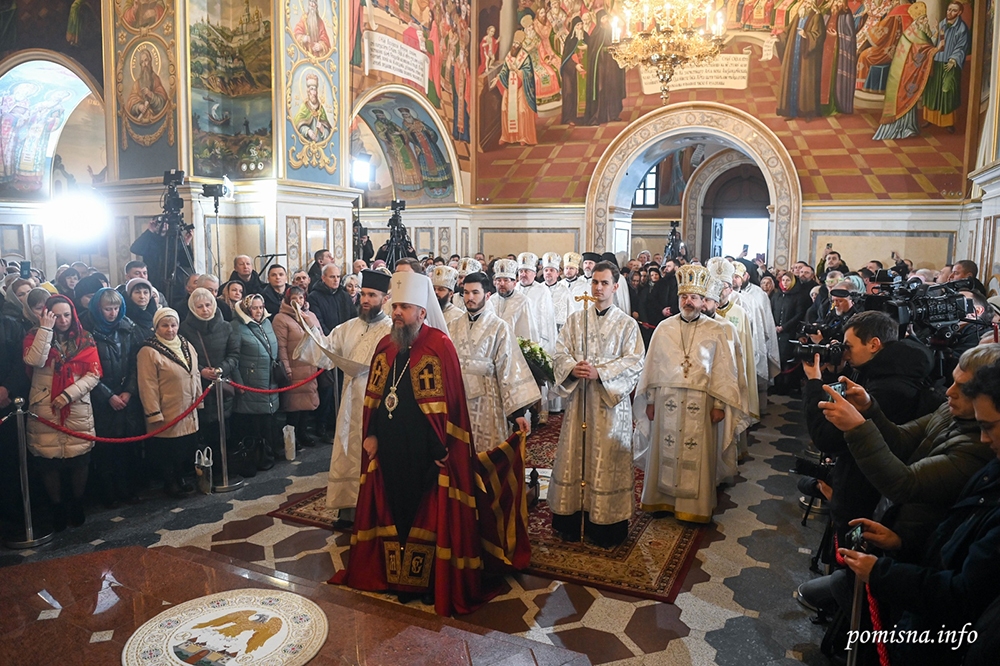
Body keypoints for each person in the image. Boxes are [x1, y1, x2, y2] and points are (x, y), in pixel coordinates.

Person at [332, 271, 488, 615]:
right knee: (395, 512)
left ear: (421, 311)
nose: (397, 312)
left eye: (404, 307)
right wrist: (370, 435)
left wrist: (442, 450)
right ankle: (394, 579)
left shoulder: (439, 345)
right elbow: (374, 398)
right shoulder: (387, 344)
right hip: (388, 448)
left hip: (426, 453)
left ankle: (426, 583)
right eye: (395, 305)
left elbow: (451, 407)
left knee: (425, 517)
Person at [829, 360, 1000, 666]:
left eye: (962, 388)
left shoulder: (978, 450)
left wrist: (857, 428)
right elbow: (903, 440)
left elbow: (905, 483)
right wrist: (869, 408)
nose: (948, 391)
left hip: (941, 625)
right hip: (917, 567)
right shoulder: (955, 417)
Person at [633, 264, 749, 523]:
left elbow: (722, 370)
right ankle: (660, 500)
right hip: (666, 399)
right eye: (683, 297)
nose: (688, 301)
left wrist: (719, 403)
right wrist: (650, 401)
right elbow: (653, 366)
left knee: (697, 454)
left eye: (694, 297)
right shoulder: (664, 328)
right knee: (663, 450)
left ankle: (693, 507)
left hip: (702, 401)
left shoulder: (716, 329)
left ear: (703, 300)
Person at [448, 271, 539, 568]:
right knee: (460, 467)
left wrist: (517, 413)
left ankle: (491, 531)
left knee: (489, 470)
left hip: (489, 408)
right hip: (459, 409)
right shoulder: (453, 325)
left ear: (487, 295)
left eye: (475, 292)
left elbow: (509, 370)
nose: (470, 297)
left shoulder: (499, 328)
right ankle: (462, 528)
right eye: (466, 292)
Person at [549, 261, 644, 546]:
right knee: (575, 455)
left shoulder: (627, 324)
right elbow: (560, 351)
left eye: (604, 283)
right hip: (579, 402)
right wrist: (571, 367)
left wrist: (600, 373)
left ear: (615, 287)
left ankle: (605, 525)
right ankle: (570, 518)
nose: (598, 288)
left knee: (606, 461)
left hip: (609, 408)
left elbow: (635, 361)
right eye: (595, 282)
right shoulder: (576, 320)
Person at [294, 269, 393, 525]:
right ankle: (349, 509)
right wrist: (311, 328)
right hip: (350, 397)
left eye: (372, 295)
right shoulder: (347, 328)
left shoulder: (392, 330)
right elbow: (325, 356)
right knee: (348, 451)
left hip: (379, 401)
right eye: (363, 294)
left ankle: (377, 510)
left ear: (385, 298)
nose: (366, 300)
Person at [24, 295, 102, 530]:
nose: (63, 320)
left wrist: (69, 395)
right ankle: (56, 507)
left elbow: (95, 373)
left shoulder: (84, 338)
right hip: (44, 406)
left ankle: (77, 503)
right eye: (56, 315)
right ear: (48, 315)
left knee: (79, 458)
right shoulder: (34, 335)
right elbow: (34, 360)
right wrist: (45, 330)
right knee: (49, 461)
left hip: (76, 405)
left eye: (67, 314)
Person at [87, 288, 145, 507]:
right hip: (101, 397)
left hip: (126, 394)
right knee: (106, 450)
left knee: (126, 447)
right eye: (107, 309)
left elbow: (135, 363)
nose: (112, 313)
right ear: (98, 309)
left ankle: (127, 488)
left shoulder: (128, 328)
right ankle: (108, 492)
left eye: (116, 308)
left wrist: (129, 391)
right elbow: (86, 371)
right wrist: (108, 395)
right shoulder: (87, 331)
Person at [137, 307, 202, 498]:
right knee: (168, 450)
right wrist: (153, 412)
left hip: (187, 407)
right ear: (156, 327)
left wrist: (198, 400)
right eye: (165, 325)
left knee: (184, 447)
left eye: (173, 325)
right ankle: (170, 482)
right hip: (167, 409)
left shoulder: (185, 344)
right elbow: (147, 385)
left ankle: (181, 478)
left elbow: (195, 373)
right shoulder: (148, 350)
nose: (170, 329)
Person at [178, 288, 240, 464]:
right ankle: (205, 470)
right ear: (192, 308)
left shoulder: (226, 327)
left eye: (208, 305)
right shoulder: (184, 329)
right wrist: (201, 370)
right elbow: (183, 357)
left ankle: (223, 468)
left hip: (222, 383)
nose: (205, 309)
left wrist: (221, 369)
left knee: (223, 429)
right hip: (198, 387)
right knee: (203, 431)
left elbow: (234, 355)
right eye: (200, 306)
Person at [231, 295, 281, 465]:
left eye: (260, 307)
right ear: (246, 308)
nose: (258, 311)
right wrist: (239, 383)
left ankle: (269, 453)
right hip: (250, 381)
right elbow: (234, 358)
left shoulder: (267, 323)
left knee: (269, 420)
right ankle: (256, 458)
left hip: (269, 379)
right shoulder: (237, 327)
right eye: (254, 307)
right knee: (255, 423)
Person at [273, 286, 321, 448]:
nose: (298, 301)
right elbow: (281, 347)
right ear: (288, 300)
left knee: (307, 403)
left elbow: (319, 336)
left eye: (301, 298)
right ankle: (292, 437)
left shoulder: (310, 315)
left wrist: (306, 319)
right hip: (294, 367)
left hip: (309, 366)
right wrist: (286, 368)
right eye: (294, 298)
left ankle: (303, 433)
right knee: (293, 406)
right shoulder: (281, 319)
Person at [516, 252, 558, 424]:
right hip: (517, 341)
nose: (523, 275)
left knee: (537, 378)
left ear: (534, 272)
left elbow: (547, 318)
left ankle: (539, 411)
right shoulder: (515, 288)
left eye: (527, 271)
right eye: (521, 271)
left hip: (538, 340)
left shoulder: (542, 290)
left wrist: (539, 344)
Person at [494, 31, 538, 146]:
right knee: (504, 109)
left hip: (521, 88)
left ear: (521, 45)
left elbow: (529, 73)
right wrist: (500, 76)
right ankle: (507, 136)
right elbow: (504, 70)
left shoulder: (525, 57)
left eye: (518, 44)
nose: (515, 45)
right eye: (514, 43)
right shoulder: (509, 55)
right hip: (510, 88)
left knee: (521, 110)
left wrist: (518, 71)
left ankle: (523, 136)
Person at [491, 258, 536, 341]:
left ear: (514, 283)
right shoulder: (491, 300)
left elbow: (527, 332)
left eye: (506, 280)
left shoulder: (523, 301)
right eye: (498, 280)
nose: (501, 284)